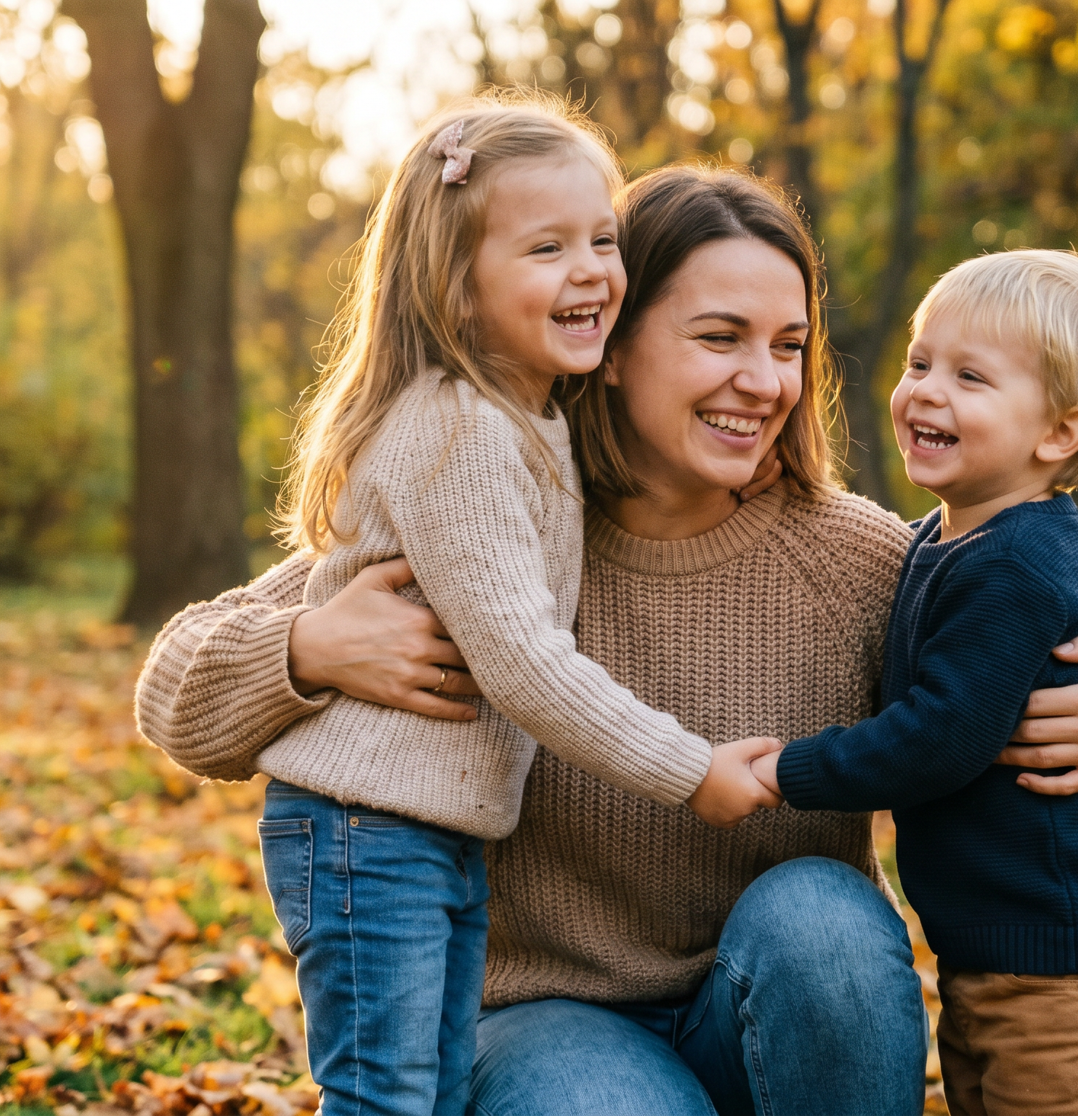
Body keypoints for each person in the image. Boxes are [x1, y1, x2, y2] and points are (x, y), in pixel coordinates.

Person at [138, 165, 1078, 1116]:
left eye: (787, 346)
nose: (763, 382)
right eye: (717, 338)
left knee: (827, 928)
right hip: (545, 1021)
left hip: (774, 1005)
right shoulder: (487, 526)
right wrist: (307, 650)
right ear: (609, 347)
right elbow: (172, 691)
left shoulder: (866, 562)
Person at [136, 97, 783, 1116]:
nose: (589, 271)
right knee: (388, 1098)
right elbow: (524, 662)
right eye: (544, 247)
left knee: (426, 1097)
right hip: (366, 829)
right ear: (457, 286)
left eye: (602, 240)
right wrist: (689, 769)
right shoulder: (460, 437)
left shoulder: (526, 428)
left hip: (431, 831)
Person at [753, 250, 1078, 1115]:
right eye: (919, 363)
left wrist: (783, 771)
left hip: (1070, 960)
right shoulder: (943, 543)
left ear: (1060, 433)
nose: (926, 392)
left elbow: (938, 738)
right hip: (998, 949)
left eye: (970, 377)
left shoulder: (1019, 564)